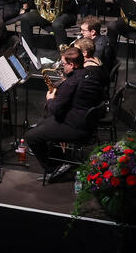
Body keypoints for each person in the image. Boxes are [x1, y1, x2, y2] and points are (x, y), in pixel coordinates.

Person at [24, 46, 106, 180]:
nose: (62, 67)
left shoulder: (71, 83)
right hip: (84, 121)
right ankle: (61, 161)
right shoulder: (88, 73)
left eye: (64, 64)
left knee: (30, 136)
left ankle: (53, 168)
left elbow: (55, 109)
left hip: (75, 126)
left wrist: (50, 99)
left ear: (72, 65)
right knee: (41, 125)